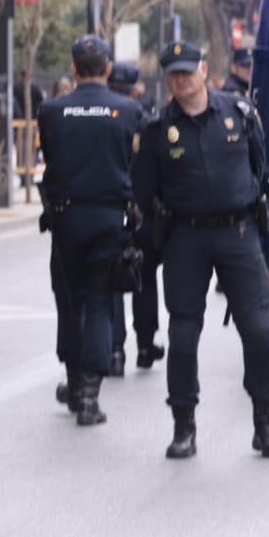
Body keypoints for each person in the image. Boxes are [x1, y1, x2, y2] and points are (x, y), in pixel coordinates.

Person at [132, 41, 269, 460]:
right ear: (167, 80)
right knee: (183, 335)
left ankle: (265, 423)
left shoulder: (239, 113)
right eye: (174, 75)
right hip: (186, 237)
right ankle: (184, 426)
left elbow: (259, 167)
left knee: (258, 329)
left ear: (204, 70)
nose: (182, 80)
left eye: (188, 71)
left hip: (238, 232)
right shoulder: (157, 128)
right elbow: (142, 192)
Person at [37, 35, 141, 426]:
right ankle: (90, 397)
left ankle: (74, 379)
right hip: (109, 219)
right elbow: (134, 162)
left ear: (74, 69)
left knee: (69, 302)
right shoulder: (129, 110)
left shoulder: (51, 110)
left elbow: (51, 157)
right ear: (109, 70)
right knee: (99, 302)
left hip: (66, 220)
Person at [106, 61, 164, 371]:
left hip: (111, 210)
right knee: (145, 277)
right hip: (143, 213)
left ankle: (115, 350)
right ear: (136, 88)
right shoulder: (149, 123)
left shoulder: (103, 118)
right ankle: (145, 345)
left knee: (113, 279)